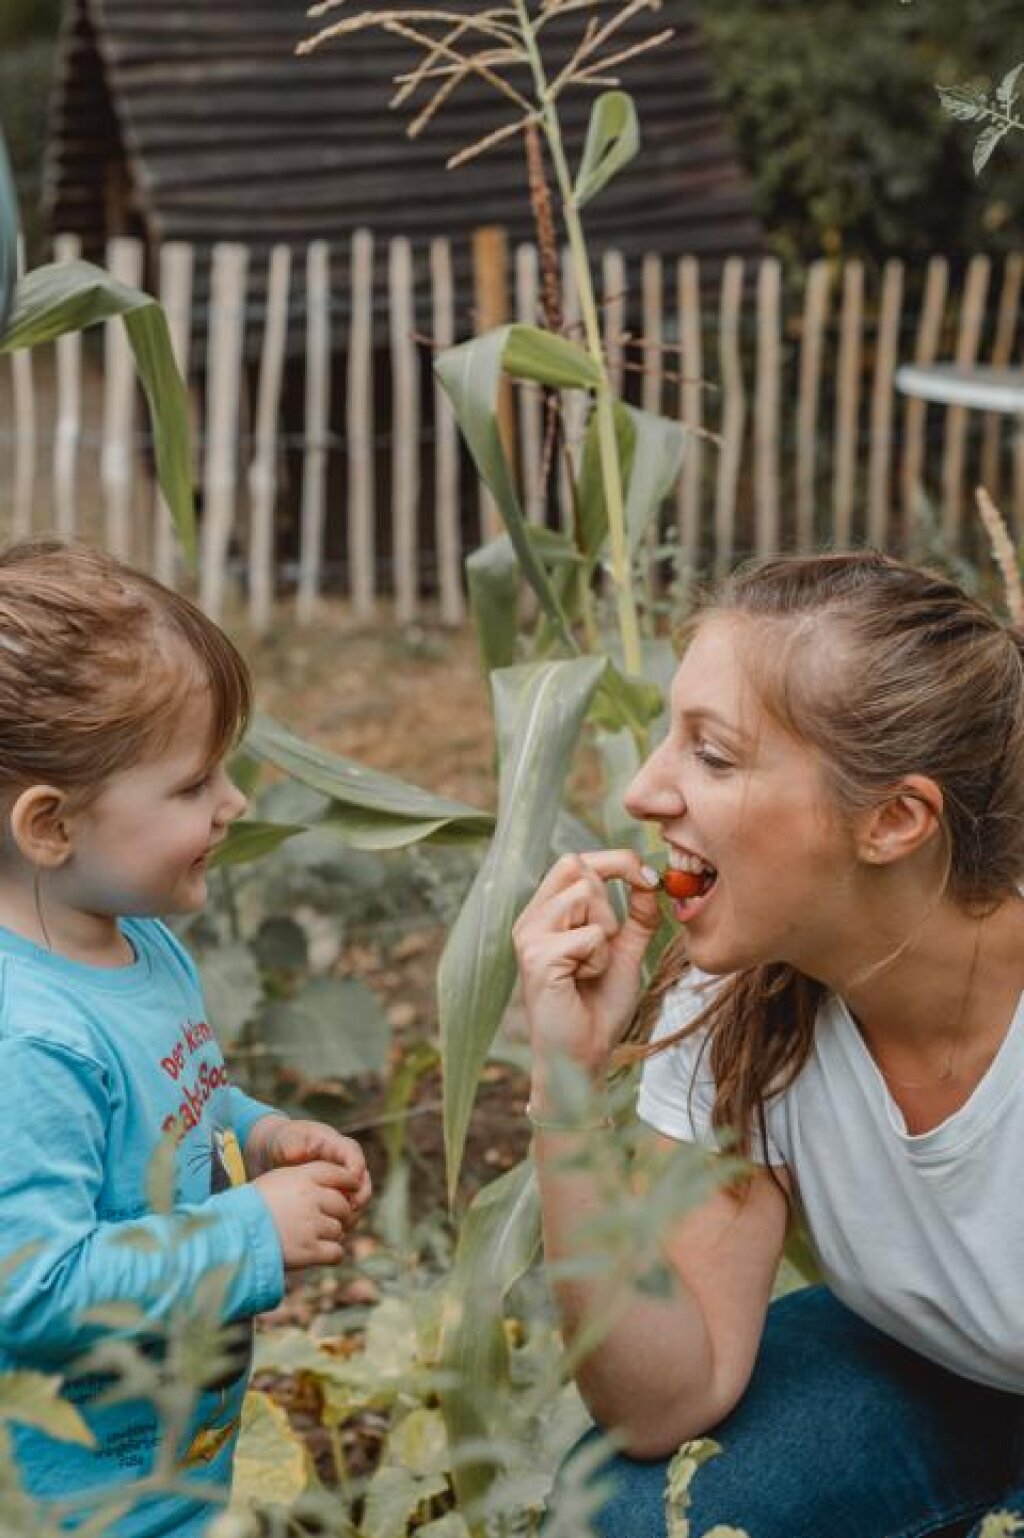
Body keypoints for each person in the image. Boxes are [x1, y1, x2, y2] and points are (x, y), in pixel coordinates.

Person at [513, 550, 1024, 1538]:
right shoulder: (740, 995)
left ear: (893, 818)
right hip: (948, 1374)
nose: (644, 792)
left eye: (712, 755)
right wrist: (565, 1087)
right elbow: (664, 1397)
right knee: (628, 1514)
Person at [0, 538, 371, 1536]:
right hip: (70, 1501)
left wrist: (256, 1135)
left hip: (166, 1464)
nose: (234, 803)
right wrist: (249, 1232)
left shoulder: (140, 943)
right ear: (50, 825)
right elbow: (28, 1286)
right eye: (194, 782)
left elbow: (167, 1109)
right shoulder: (26, 1040)